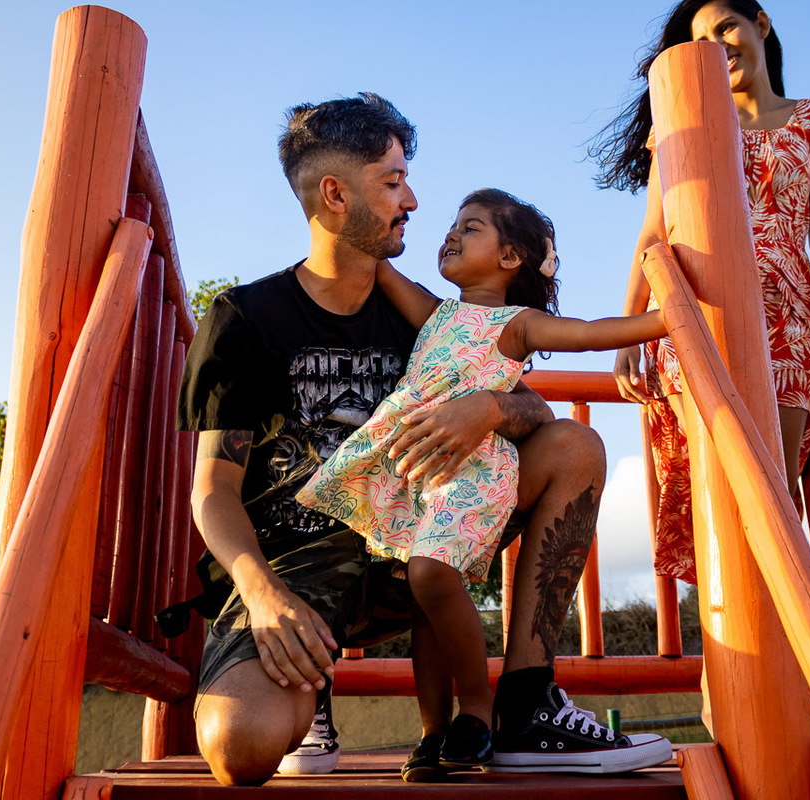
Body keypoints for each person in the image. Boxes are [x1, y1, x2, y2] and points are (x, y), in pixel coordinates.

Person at [178, 93, 671, 787]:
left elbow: (530, 402)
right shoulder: (247, 318)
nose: (412, 200)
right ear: (335, 195)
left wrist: (488, 407)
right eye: (392, 182)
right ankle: (309, 680)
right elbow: (213, 490)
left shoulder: (430, 314)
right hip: (300, 568)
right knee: (242, 744)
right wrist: (261, 594)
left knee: (574, 446)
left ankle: (524, 704)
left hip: (417, 535)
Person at [296, 188, 668, 781]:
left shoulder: (515, 325)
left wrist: (667, 320)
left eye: (470, 228)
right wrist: (345, 210)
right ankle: (433, 733)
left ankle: (476, 706)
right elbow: (379, 264)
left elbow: (590, 332)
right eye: (454, 225)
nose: (451, 234)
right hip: (419, 474)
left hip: (473, 472)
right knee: (426, 598)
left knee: (430, 573)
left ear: (510, 258)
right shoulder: (437, 313)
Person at [590, 0, 810, 584]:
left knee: (774, 491)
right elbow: (654, 233)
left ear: (760, 22)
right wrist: (627, 336)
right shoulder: (683, 119)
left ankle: (779, 637)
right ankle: (729, 642)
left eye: (727, 27)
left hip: (787, 317)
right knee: (721, 483)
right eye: (702, 41)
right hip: (697, 313)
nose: (719, 46)